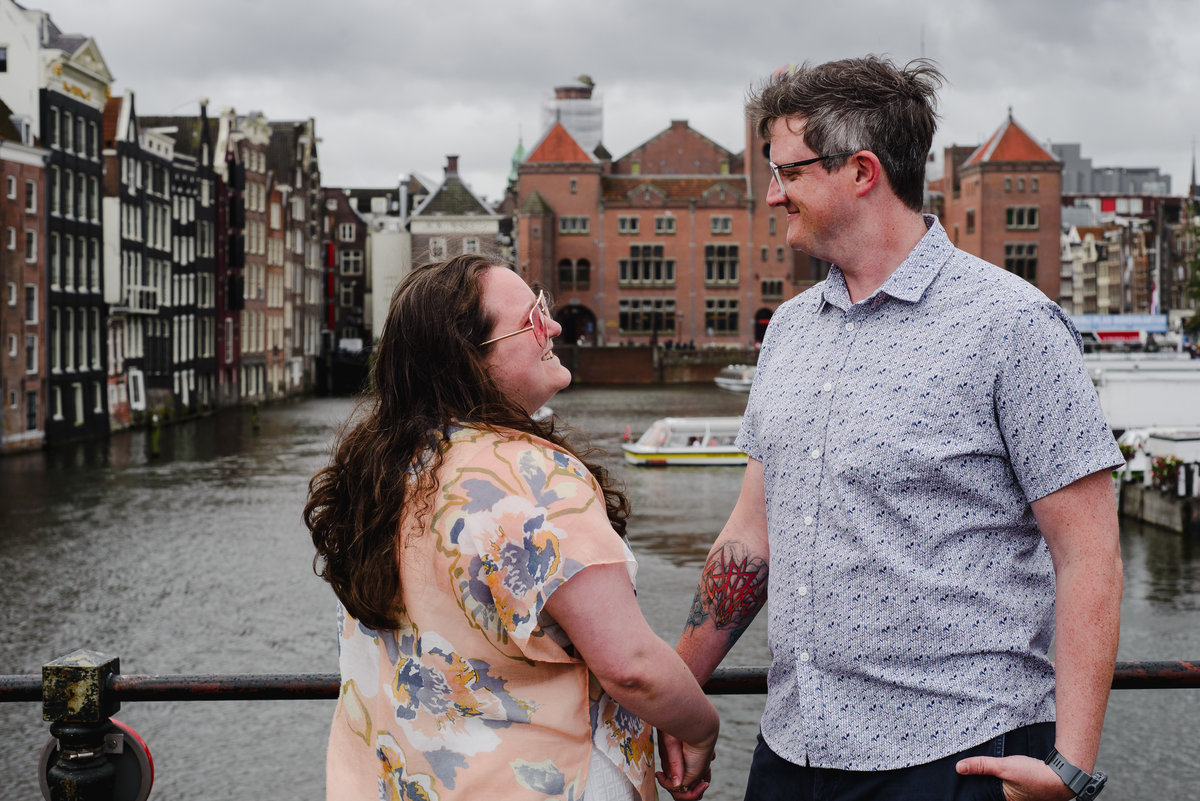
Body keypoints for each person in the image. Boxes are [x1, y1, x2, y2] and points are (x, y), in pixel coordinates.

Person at [659, 57, 1124, 801]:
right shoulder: (787, 332)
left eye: (787, 173)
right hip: (793, 750)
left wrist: (1070, 766)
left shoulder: (1012, 326)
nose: (773, 195)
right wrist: (671, 696)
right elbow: (751, 535)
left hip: (959, 757)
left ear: (863, 171)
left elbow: (1090, 552)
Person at [306, 255, 718, 801]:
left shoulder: (377, 476)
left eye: (542, 305)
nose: (554, 326)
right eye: (532, 319)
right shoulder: (532, 476)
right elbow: (631, 667)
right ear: (470, 359)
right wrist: (701, 726)